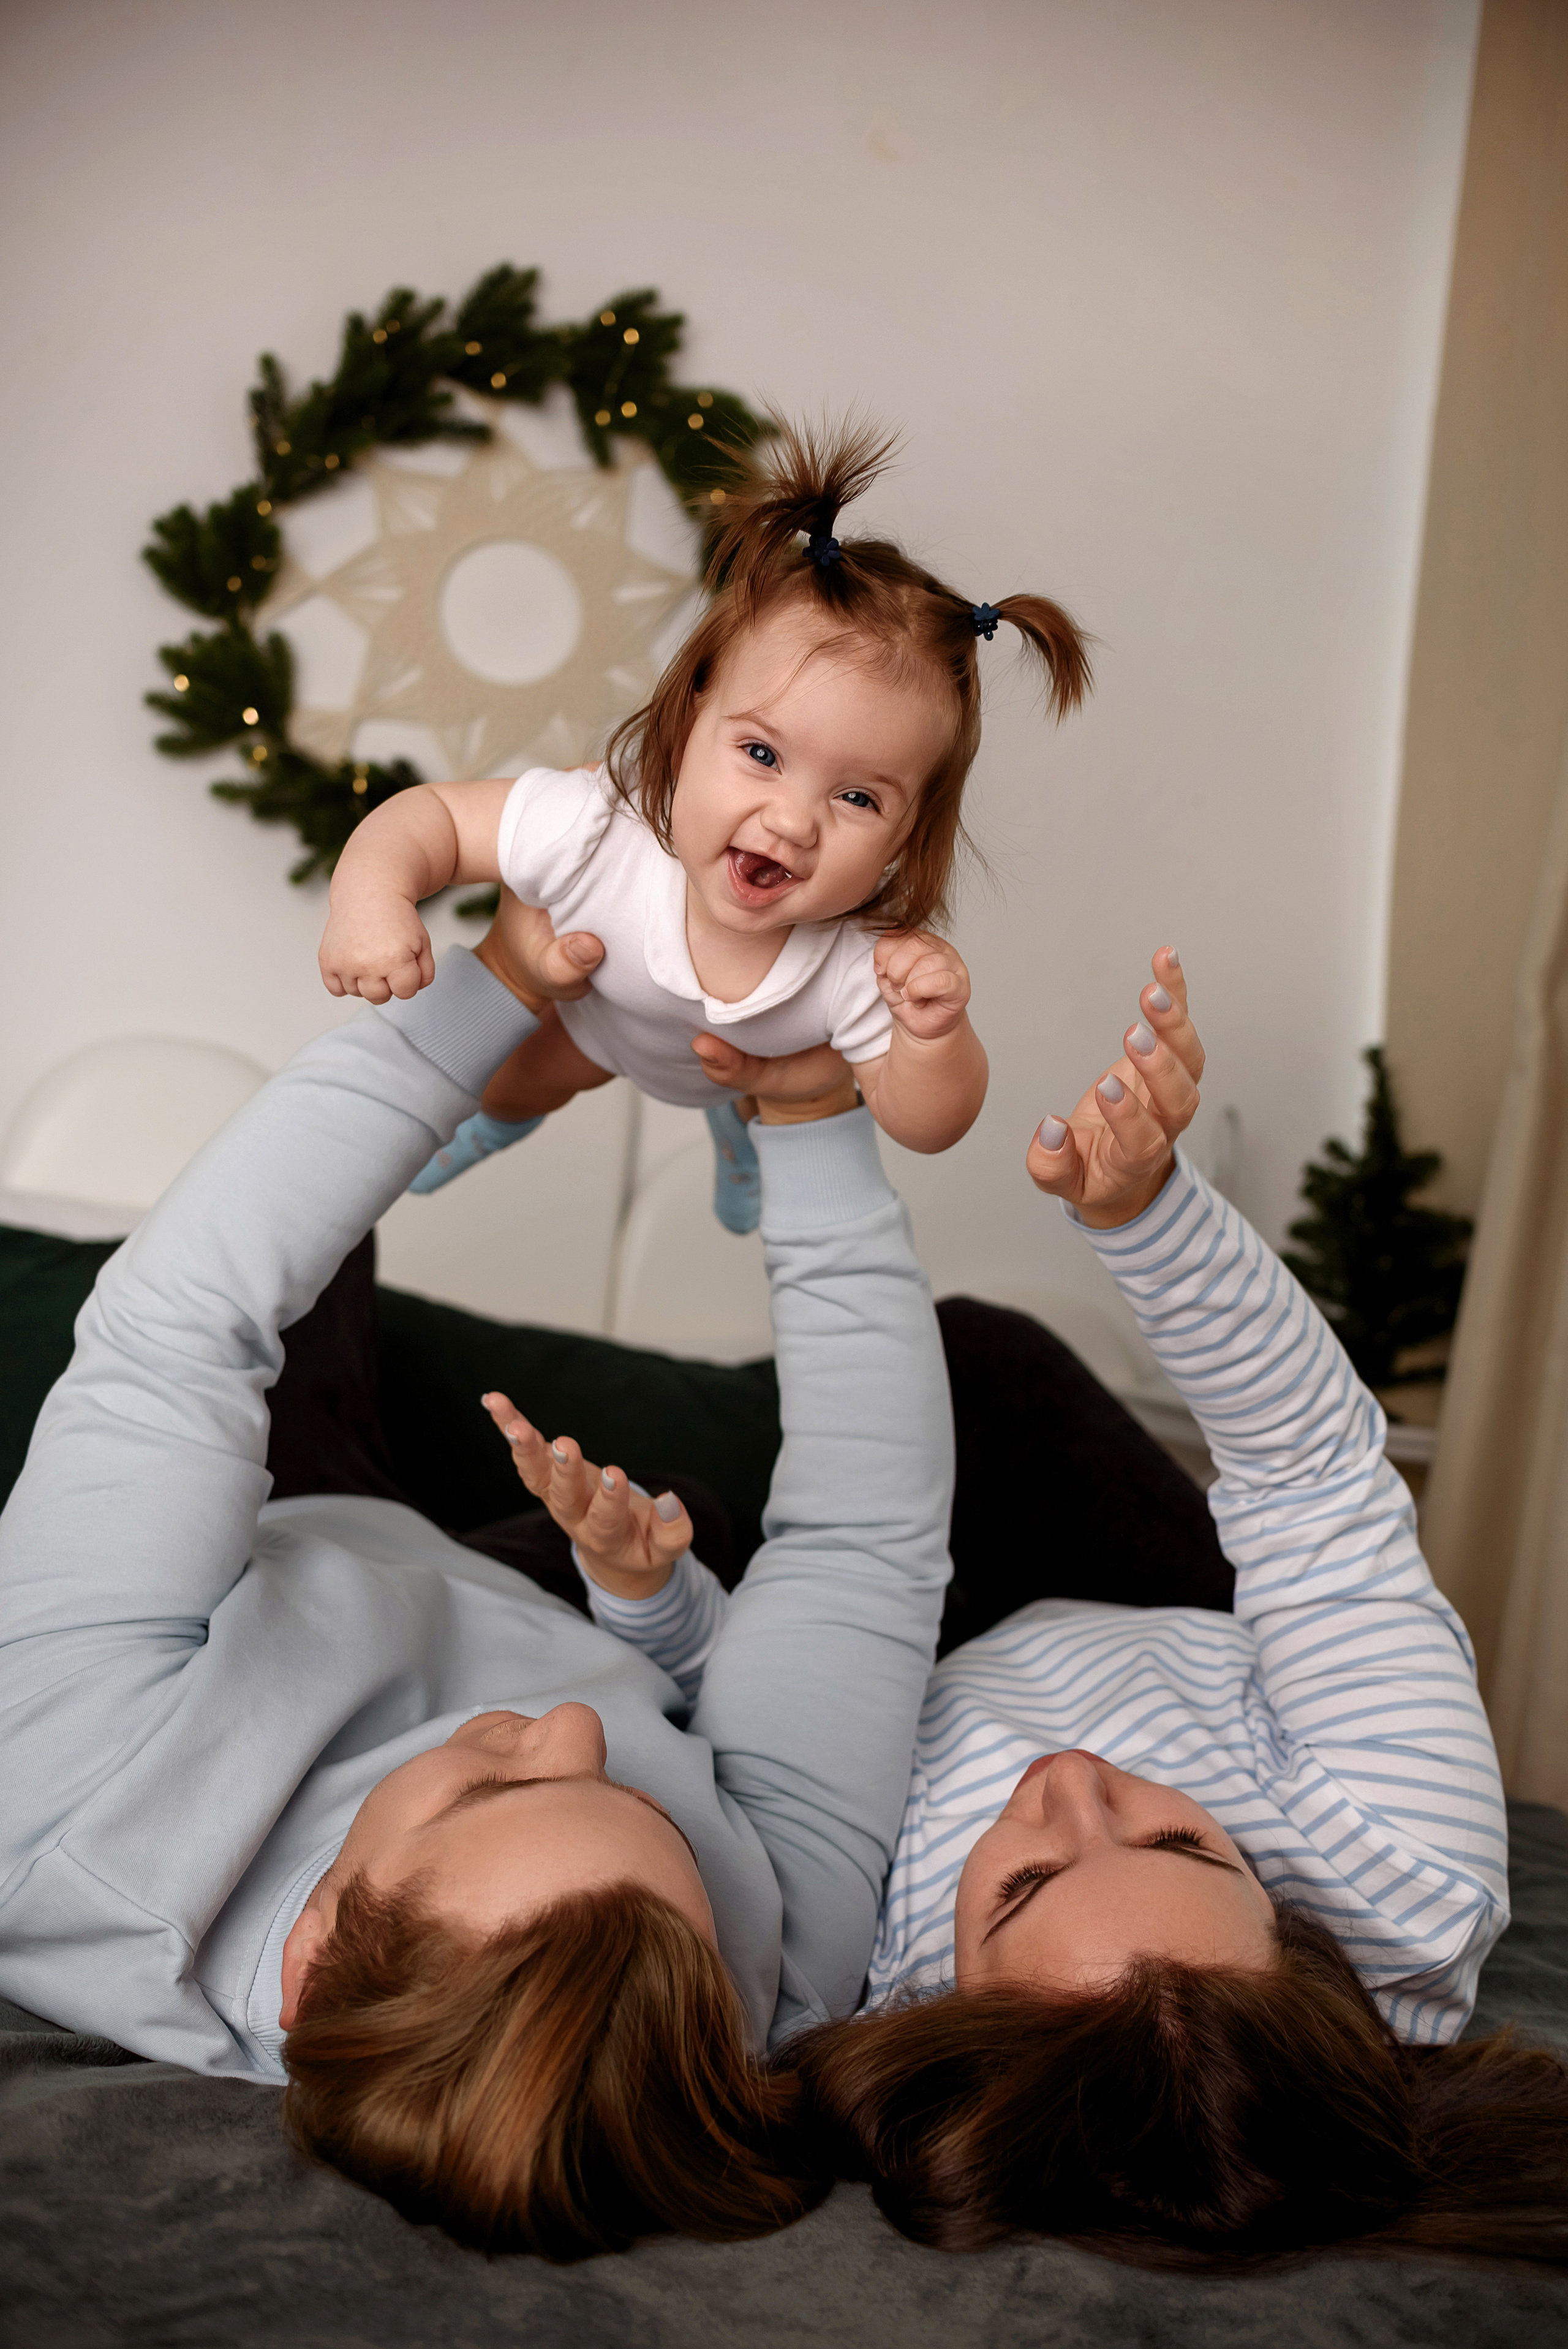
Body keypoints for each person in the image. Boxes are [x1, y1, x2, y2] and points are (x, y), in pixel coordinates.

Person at [561, 952, 1568, 2268]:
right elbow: (1309, 1477)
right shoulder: (1403, 1866)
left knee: (610, 1533)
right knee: (982, 1354)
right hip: (1160, 1611)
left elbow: (764, 1736)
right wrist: (1150, 1215)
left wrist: (652, 1601)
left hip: (901, 1673)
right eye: (1179, 1846)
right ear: (1307, 1946)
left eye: (1025, 1881)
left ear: (944, 1997)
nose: (1074, 1782)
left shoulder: (850, 1978)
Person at [0, 909, 956, 2261]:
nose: (578, 1731)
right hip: (563, 1579)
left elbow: (181, 1326)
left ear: (313, 1950)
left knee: (273, 1275)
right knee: (978, 1367)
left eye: (495, 1783)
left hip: (260, 1557)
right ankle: (529, 1088)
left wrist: (487, 990)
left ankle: (505, 1075)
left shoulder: (65, 1797)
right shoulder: (760, 1972)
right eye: (649, 1813)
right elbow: (864, 1550)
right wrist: (809, 1118)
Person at [315, 418, 1090, 1232]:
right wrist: (371, 896)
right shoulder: (592, 831)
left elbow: (926, 1125)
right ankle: (492, 1126)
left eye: (859, 799)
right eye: (762, 752)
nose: (792, 822)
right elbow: (433, 819)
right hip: (596, 1029)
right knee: (517, 1078)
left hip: (758, 1070)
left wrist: (935, 1035)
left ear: (907, 836)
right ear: (688, 724)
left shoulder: (864, 964)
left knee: (771, 1099)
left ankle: (738, 1136)